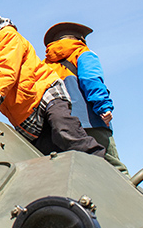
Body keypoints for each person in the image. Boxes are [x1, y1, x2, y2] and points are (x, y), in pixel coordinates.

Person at [0, 0, 105, 158]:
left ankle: (97, 159)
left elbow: (5, 72)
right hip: (23, 114)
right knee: (44, 153)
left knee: (64, 129)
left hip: (43, 93)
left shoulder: (6, 36)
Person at [43, 22, 130, 175]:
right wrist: (103, 107)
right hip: (91, 121)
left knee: (79, 174)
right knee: (114, 169)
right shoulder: (83, 53)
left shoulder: (45, 65)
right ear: (80, 39)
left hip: (62, 127)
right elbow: (91, 80)